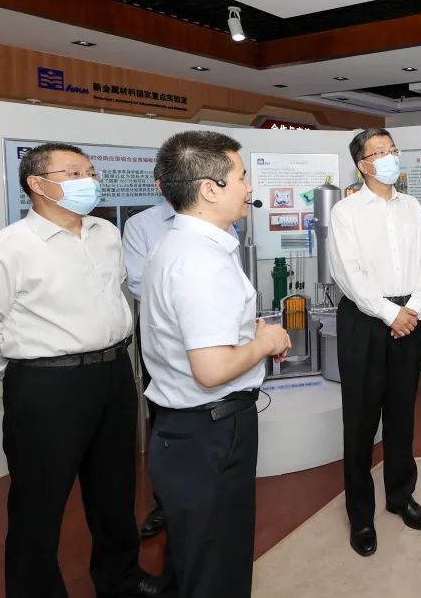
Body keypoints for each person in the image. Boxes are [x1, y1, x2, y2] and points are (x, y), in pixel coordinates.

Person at [0, 142, 165, 597]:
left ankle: (121, 580)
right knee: (38, 506)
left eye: (90, 172)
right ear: (37, 184)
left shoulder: (105, 233)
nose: (89, 181)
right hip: (47, 387)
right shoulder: (5, 251)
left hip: (113, 375)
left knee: (114, 493)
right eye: (73, 173)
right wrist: (32, 374)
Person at [141, 131, 291, 598]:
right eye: (242, 177)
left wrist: (248, 335)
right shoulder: (202, 262)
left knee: (194, 559)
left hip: (185, 430)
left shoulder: (177, 245)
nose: (249, 187)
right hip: (211, 432)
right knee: (217, 569)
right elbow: (211, 369)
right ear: (210, 189)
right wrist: (265, 342)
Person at [328, 127, 421, 558]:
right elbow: (349, 275)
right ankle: (361, 516)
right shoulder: (346, 211)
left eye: (393, 149)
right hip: (365, 320)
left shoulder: (412, 206)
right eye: (380, 152)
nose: (391, 156)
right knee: (359, 422)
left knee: (402, 413)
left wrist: (412, 309)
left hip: (409, 316)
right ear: (363, 164)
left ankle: (400, 495)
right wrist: (391, 314)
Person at [123, 171, 239, 540]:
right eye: (240, 177)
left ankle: (210, 504)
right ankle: (168, 505)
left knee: (217, 425)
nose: (246, 187)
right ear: (161, 184)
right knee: (169, 422)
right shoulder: (142, 226)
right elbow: (139, 282)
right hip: (168, 336)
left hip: (219, 333)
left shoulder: (222, 223)